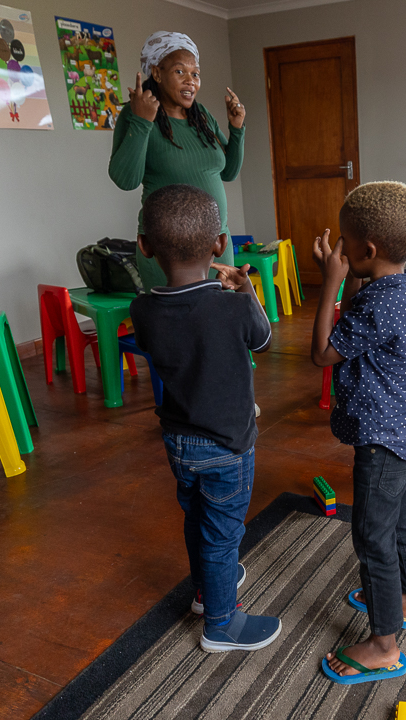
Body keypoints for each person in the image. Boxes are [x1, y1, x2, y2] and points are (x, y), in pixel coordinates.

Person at [129, 184, 280, 653]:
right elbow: (263, 341)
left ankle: (203, 589)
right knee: (222, 536)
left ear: (145, 248)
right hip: (228, 446)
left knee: (196, 519)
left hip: (178, 441)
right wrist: (248, 290)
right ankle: (221, 624)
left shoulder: (143, 308)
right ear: (219, 244)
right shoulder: (233, 305)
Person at [311, 182, 406, 684]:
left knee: (371, 535)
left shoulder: (372, 303)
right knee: (399, 518)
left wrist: (329, 284)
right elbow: (363, 302)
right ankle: (404, 599)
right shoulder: (400, 286)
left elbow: (322, 353)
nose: (338, 250)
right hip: (402, 432)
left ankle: (384, 645)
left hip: (383, 439)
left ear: (366, 251)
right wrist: (348, 279)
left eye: (345, 243)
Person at [109, 31, 246, 290]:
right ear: (157, 74)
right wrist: (141, 122)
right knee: (176, 326)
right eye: (180, 72)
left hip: (217, 245)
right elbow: (126, 180)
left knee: (220, 324)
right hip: (167, 253)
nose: (191, 81)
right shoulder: (135, 113)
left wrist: (236, 129)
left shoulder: (201, 115)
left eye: (195, 74)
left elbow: (227, 173)